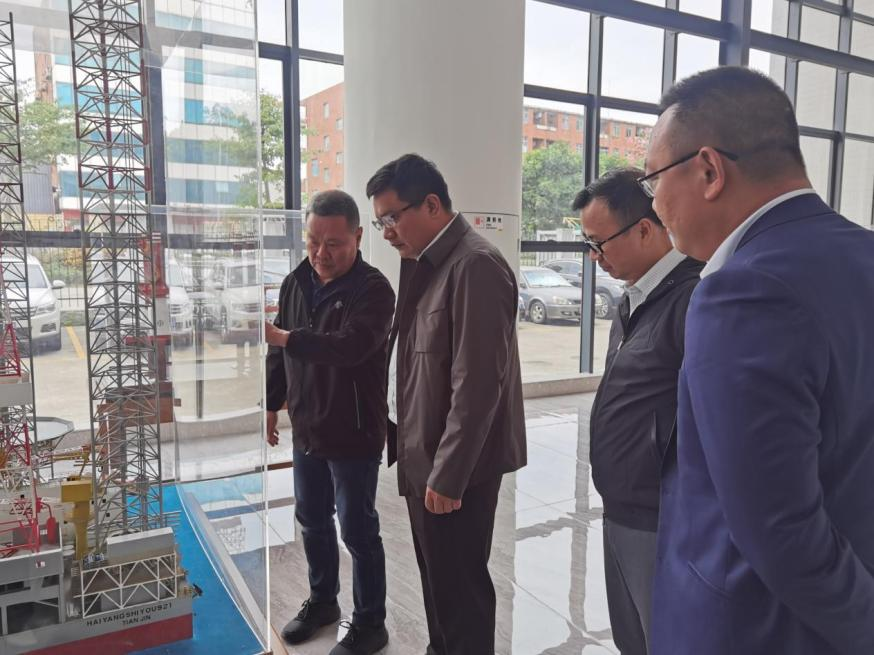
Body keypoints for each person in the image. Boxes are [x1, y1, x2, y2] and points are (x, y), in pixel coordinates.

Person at [643, 66, 874, 655]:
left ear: (709, 170)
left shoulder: (743, 290)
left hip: (764, 629)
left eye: (653, 179)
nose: (655, 202)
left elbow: (781, 531)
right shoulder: (861, 252)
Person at [366, 153, 526, 655]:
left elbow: (477, 385)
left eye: (392, 218)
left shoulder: (474, 265)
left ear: (432, 204)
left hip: (453, 466)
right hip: (424, 452)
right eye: (380, 222)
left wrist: (449, 473)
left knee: (460, 592)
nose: (387, 232)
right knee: (438, 583)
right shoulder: (425, 262)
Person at [574, 168, 702, 655]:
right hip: (621, 500)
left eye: (599, 243)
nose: (594, 256)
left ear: (645, 229)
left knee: (662, 637)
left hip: (660, 513)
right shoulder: (635, 297)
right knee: (632, 636)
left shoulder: (694, 298)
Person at [265, 189, 395, 655]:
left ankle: (370, 623)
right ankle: (323, 602)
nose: (321, 253)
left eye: (334, 243)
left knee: (357, 530)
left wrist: (286, 337)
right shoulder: (295, 281)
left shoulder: (374, 290)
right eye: (313, 241)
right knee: (312, 519)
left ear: (358, 237)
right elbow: (277, 351)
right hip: (307, 426)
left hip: (354, 431)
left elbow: (349, 347)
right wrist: (271, 403)